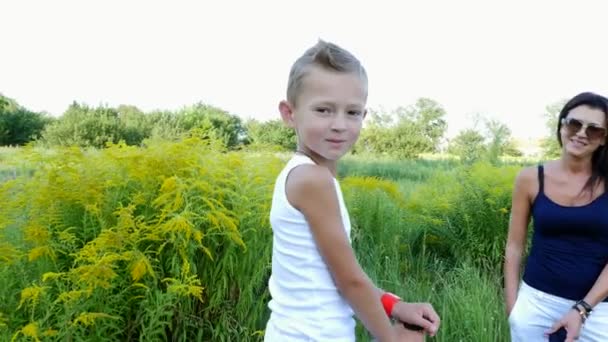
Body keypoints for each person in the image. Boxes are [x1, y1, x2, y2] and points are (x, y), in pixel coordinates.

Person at [263, 39, 441, 342]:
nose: (339, 125)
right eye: (323, 110)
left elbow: (332, 278)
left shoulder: (310, 174)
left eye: (352, 112)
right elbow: (350, 282)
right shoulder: (312, 180)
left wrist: (394, 306)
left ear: (364, 116)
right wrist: (391, 339)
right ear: (289, 113)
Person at [504, 91, 608, 342]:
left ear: (604, 138)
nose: (581, 133)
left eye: (593, 129)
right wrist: (513, 309)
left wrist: (582, 309)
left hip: (598, 312)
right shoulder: (529, 178)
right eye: (574, 123)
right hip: (535, 304)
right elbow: (514, 246)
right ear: (562, 125)